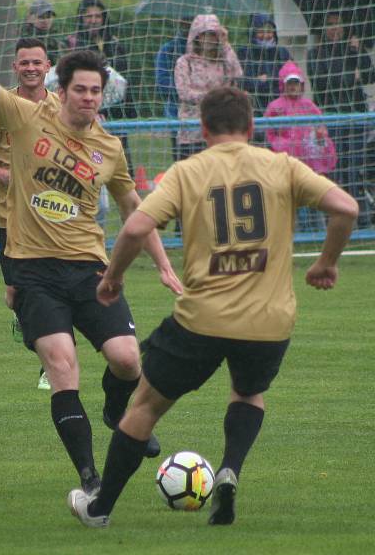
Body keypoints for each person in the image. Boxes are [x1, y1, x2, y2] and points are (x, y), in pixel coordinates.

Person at [68, 86, 358, 529]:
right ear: (252, 127)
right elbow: (346, 207)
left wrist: (112, 279)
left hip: (201, 318)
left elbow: (136, 226)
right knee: (247, 392)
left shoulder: (188, 172)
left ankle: (100, 508)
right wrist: (326, 262)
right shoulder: (281, 166)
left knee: (144, 406)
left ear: (202, 128)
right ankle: (230, 469)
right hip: (269, 321)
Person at [0, 0, 182, 497]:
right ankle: (89, 477)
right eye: (81, 90)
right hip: (34, 271)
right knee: (61, 364)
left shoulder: (111, 149)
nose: (89, 99)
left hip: (89, 269)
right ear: (62, 89)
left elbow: (133, 209)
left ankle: (116, 410)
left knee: (127, 361)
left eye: (97, 91)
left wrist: (164, 264)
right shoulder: (28, 117)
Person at [0, 37, 60, 391]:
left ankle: (49, 367)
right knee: (17, 294)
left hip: (52, 219)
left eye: (37, 62)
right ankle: (27, 325)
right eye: (25, 63)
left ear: (48, 66)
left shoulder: (61, 109)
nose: (31, 68)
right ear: (15, 67)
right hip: (11, 218)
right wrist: (5, 175)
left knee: (52, 291)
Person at [307, 11, 375, 227]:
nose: (335, 29)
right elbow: (322, 84)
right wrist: (349, 77)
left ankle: (362, 221)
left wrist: (357, 53)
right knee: (335, 170)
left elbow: (369, 75)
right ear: (324, 28)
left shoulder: (353, 48)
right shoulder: (315, 53)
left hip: (356, 115)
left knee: (355, 167)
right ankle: (335, 220)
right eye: (331, 24)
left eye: (339, 24)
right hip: (332, 116)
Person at [66, 0, 138, 176]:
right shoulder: (72, 43)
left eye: (97, 16)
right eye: (88, 16)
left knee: (119, 148)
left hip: (115, 106)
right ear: (81, 19)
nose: (93, 20)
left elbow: (125, 74)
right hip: (88, 106)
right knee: (90, 151)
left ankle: (125, 184)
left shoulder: (114, 43)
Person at [265, 62, 337, 232]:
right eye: (289, 83)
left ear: (302, 85)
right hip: (287, 160)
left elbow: (321, 127)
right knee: (292, 194)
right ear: (283, 84)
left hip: (309, 160)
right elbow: (269, 132)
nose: (293, 87)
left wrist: (320, 136)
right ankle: (294, 230)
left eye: (296, 83)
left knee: (313, 191)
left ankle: (319, 230)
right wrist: (280, 144)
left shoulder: (309, 105)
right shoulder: (275, 106)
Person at [174, 14, 243, 160]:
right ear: (196, 36)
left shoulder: (223, 61)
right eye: (203, 34)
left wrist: (226, 43)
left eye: (212, 35)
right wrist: (214, 97)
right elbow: (184, 93)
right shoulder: (185, 62)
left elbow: (237, 74)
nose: (208, 39)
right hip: (192, 132)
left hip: (221, 129)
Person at [236, 13, 292, 141]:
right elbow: (243, 81)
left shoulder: (282, 52)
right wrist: (261, 82)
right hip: (255, 111)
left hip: (281, 110)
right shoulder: (244, 52)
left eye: (269, 31)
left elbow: (291, 79)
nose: (266, 35)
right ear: (253, 32)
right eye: (261, 31)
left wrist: (267, 79)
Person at [154, 17, 191, 162]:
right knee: (182, 163)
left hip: (206, 118)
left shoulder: (211, 50)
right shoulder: (168, 49)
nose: (188, 23)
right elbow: (162, 82)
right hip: (178, 116)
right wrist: (188, 92)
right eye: (185, 19)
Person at [20, 0, 65, 65]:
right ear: (29, 18)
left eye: (48, 17)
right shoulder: (24, 40)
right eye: (41, 17)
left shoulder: (56, 38)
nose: (46, 21)